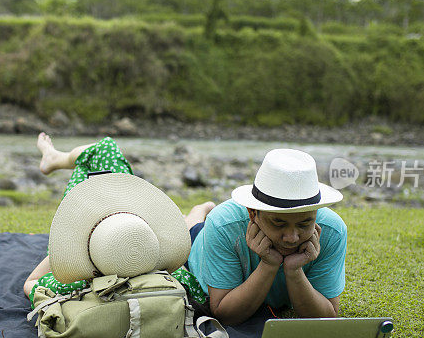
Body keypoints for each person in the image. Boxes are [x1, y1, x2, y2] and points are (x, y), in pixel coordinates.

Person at [23, 133, 214, 308]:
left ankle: (55, 158)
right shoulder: (175, 279)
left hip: (108, 235)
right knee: (102, 152)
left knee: (103, 150)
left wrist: (69, 246)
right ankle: (56, 158)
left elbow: (31, 282)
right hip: (133, 239)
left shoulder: (70, 281)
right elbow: (197, 293)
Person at [186, 148, 347, 325]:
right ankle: (200, 210)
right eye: (279, 223)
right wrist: (268, 264)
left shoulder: (333, 230)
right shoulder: (222, 224)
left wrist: (294, 271)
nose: (292, 238)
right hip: (198, 242)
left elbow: (326, 319)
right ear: (253, 213)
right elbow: (225, 315)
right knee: (190, 231)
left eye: (304, 224)